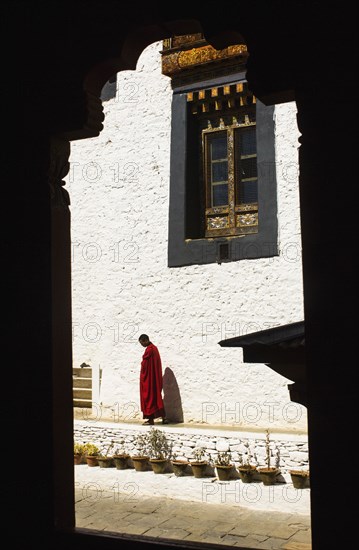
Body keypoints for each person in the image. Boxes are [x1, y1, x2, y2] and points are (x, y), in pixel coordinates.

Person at [138, 334, 168, 425]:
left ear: (145, 340)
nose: (142, 345)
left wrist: (143, 376)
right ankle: (164, 418)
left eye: (142, 343)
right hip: (154, 379)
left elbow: (146, 366)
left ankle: (150, 420)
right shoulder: (154, 349)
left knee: (148, 397)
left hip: (149, 380)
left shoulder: (150, 350)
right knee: (156, 398)